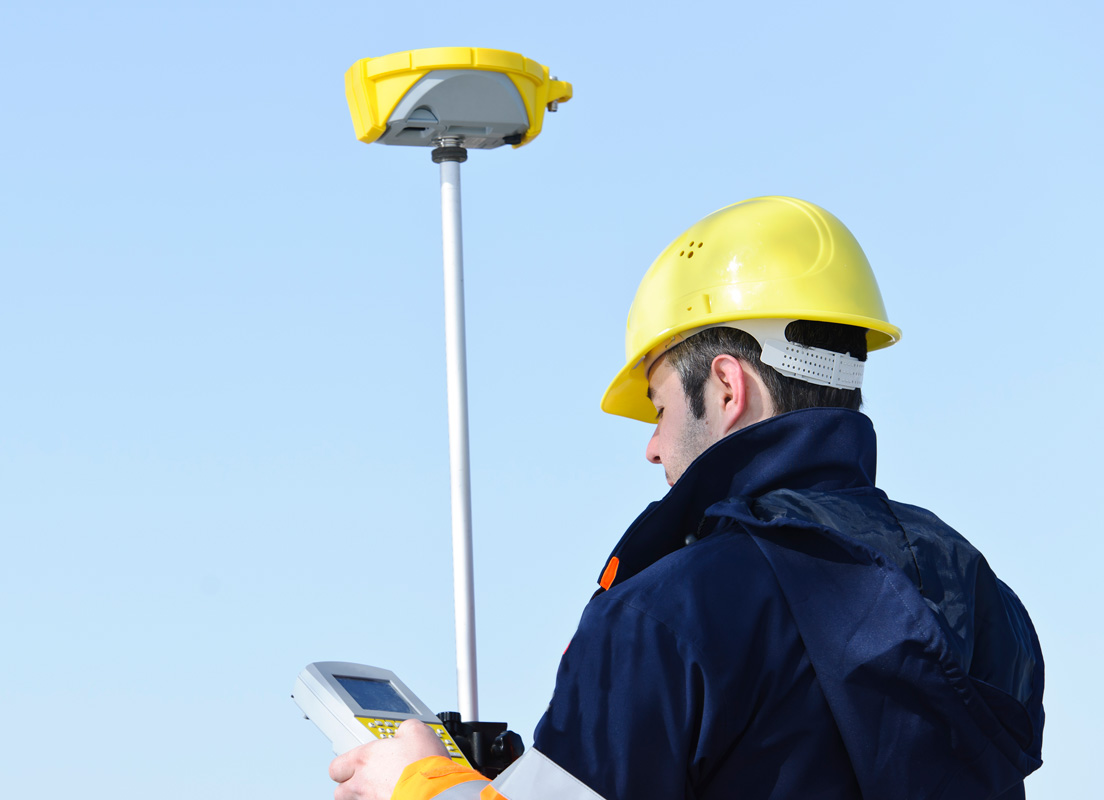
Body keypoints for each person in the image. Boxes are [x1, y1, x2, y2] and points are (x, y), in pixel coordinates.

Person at [330, 196, 1046, 800]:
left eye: (660, 406)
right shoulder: (978, 591)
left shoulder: (666, 614)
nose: (652, 446)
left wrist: (418, 784)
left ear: (727, 388)